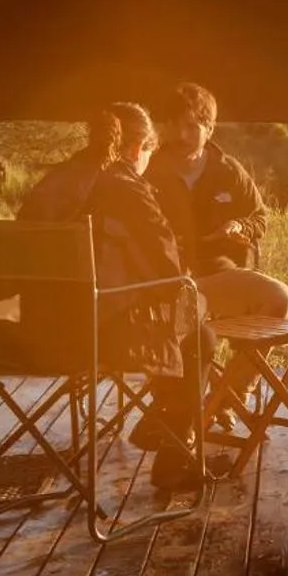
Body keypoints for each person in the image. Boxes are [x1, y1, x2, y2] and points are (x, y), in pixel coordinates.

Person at [81, 103, 212, 478]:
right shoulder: (126, 188)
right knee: (199, 335)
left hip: (33, 334)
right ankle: (173, 456)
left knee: (177, 327)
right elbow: (170, 273)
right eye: (150, 153)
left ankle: (163, 422)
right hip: (100, 336)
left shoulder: (60, 181)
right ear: (138, 148)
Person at [147, 82, 288, 321]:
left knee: (279, 297)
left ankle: (242, 361)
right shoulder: (149, 169)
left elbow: (259, 218)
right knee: (190, 330)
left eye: (192, 127)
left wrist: (239, 226)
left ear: (210, 129)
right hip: (164, 281)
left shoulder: (228, 171)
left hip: (218, 276)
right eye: (174, 125)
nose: (181, 135)